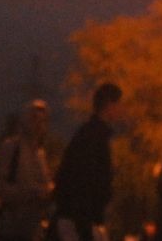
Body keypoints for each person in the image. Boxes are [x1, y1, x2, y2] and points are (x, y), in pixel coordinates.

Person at [51, 83, 121, 241]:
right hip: (80, 221)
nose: (121, 110)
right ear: (110, 105)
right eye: (119, 104)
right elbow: (85, 182)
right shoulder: (95, 137)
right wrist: (85, 225)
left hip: (79, 219)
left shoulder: (88, 134)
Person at [0, 101, 54, 241]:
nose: (38, 125)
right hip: (10, 228)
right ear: (24, 121)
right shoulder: (11, 149)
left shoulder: (40, 154)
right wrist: (27, 193)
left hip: (31, 229)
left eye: (42, 121)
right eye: (34, 119)